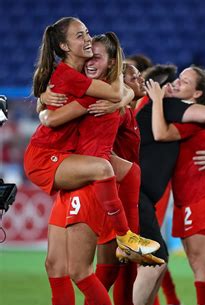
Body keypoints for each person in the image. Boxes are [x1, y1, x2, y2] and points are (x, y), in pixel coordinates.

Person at [24, 17, 159, 262]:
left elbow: (123, 91)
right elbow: (52, 120)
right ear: (65, 47)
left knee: (130, 171)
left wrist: (121, 94)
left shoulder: (81, 78)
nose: (87, 39)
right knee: (77, 268)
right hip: (49, 157)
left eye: (87, 33)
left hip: (67, 156)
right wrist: (44, 110)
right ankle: (125, 237)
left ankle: (130, 236)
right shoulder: (76, 79)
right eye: (80, 35)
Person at [132, 64, 205, 305]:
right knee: (184, 261)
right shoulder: (177, 114)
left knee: (196, 262)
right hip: (183, 198)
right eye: (178, 78)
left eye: (184, 81)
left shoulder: (182, 114)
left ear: (196, 93)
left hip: (198, 195)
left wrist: (158, 100)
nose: (177, 82)